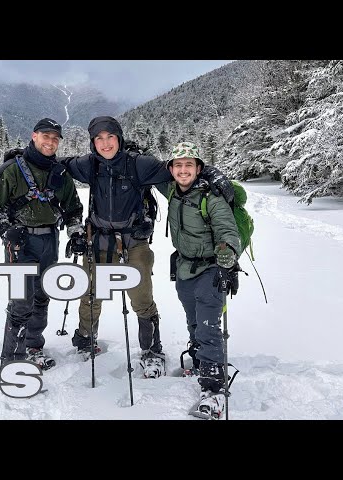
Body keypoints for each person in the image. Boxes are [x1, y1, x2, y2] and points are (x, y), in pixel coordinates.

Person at [59, 116, 235, 379]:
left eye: (110, 137)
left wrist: (209, 171)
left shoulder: (139, 164)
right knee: (90, 292)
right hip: (98, 238)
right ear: (93, 142)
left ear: (119, 138)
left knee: (140, 296)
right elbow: (58, 165)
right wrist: (24, 157)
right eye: (99, 138)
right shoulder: (89, 165)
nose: (105, 144)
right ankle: (86, 338)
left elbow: (177, 169)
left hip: (134, 240)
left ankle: (152, 349)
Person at [0, 118, 84, 370]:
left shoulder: (60, 173)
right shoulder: (11, 170)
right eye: (45, 136)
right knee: (21, 301)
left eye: (55, 138)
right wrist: (5, 228)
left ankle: (33, 345)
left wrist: (76, 232)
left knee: (42, 295)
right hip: (19, 244)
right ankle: (13, 358)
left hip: (49, 239)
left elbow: (73, 208)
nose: (50, 142)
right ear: (34, 136)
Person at [157, 141, 240, 415]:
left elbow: (228, 230)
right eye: (178, 165)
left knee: (207, 327)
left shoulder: (211, 197)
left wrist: (227, 253)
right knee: (193, 322)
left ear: (198, 168)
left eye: (189, 165)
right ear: (171, 169)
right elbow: (148, 170)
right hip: (183, 269)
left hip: (211, 270)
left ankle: (214, 389)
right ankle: (200, 359)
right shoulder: (170, 189)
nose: (183, 171)